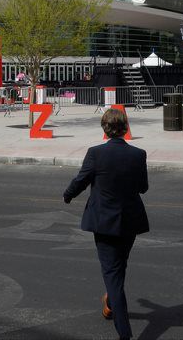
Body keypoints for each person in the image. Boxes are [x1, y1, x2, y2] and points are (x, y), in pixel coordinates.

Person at [63, 108, 149, 340]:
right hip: (129, 221)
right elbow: (143, 187)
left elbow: (82, 179)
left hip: (104, 222)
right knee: (118, 267)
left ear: (104, 128)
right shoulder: (138, 154)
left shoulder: (96, 153)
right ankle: (111, 302)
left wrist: (68, 194)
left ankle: (124, 333)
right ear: (125, 128)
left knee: (112, 274)